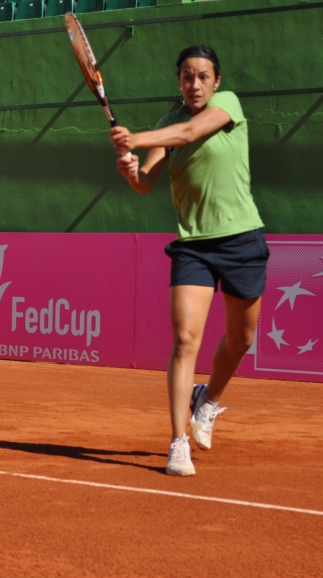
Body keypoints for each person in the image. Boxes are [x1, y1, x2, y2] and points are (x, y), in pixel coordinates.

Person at [110, 45, 268, 477]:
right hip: (194, 244)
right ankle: (178, 441)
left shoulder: (227, 105)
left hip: (241, 239)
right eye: (186, 76)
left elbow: (189, 134)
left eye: (202, 76)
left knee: (241, 340)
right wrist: (130, 170)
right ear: (178, 81)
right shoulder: (166, 123)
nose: (194, 83)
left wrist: (136, 138)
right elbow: (146, 184)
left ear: (216, 81)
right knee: (185, 340)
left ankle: (208, 401)